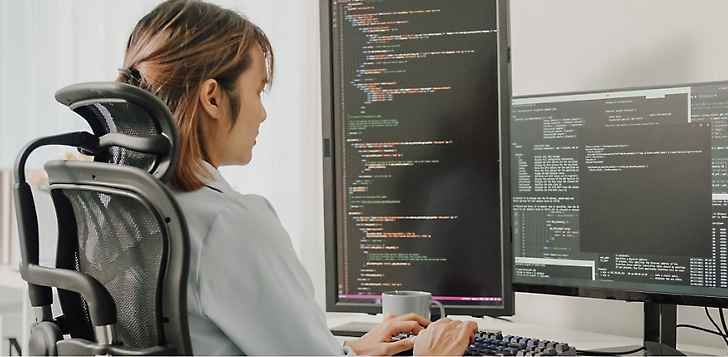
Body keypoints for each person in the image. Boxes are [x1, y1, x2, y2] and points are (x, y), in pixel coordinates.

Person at [115, 0, 478, 355]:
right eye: (257, 91)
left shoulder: (122, 205)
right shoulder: (228, 222)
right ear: (213, 98)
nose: (262, 114)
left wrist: (346, 349)